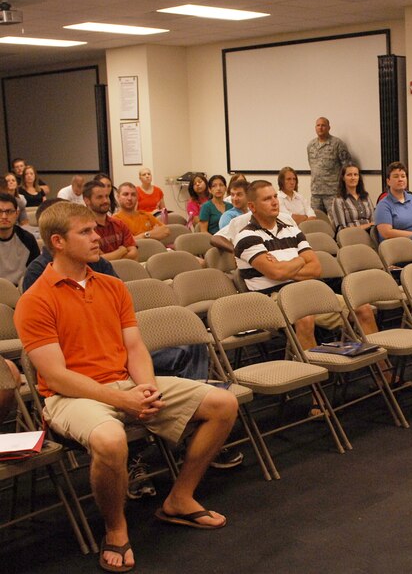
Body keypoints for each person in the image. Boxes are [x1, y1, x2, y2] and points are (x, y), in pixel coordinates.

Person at [14, 201, 238, 572]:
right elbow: (55, 377)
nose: (96, 237)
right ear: (57, 241)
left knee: (222, 403)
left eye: (94, 229)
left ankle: (179, 499)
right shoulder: (35, 300)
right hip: (71, 396)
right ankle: (116, 528)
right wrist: (123, 399)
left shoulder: (113, 287)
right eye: (84, 232)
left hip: (126, 382)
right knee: (111, 440)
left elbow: (134, 347)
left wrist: (146, 389)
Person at [234, 180, 381, 354]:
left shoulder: (292, 230)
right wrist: (299, 261)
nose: (275, 202)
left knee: (362, 309)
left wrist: (285, 268)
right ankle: (314, 375)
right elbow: (276, 272)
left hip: (307, 291)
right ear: (252, 206)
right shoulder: (246, 237)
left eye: (275, 196)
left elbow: (315, 268)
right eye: (267, 199)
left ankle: (384, 374)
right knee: (305, 318)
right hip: (273, 299)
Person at [375, 162, 412, 243]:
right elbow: (386, 232)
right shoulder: (383, 205)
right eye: (396, 176)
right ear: (388, 181)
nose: (400, 179)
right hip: (403, 245)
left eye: (403, 176)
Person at [84, 179, 138, 261]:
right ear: (87, 200)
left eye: (107, 196)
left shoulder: (119, 224)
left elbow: (134, 254)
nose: (105, 201)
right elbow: (97, 261)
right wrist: (121, 251)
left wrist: (110, 257)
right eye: (100, 197)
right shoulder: (85, 230)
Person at [306, 117, 351, 216]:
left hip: (332, 192)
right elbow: (312, 166)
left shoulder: (337, 144)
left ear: (329, 127)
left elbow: (347, 167)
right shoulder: (311, 145)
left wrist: (343, 188)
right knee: (316, 221)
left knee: (334, 221)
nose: (320, 128)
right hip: (316, 192)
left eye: (323, 125)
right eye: (318, 125)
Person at [0, 192, 39, 286]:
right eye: (0, 212)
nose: (4, 216)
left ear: (16, 214)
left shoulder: (28, 240)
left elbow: (36, 274)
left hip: (21, 292)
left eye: (9, 211)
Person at [330, 163, 374, 233]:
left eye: (355, 175)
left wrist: (371, 225)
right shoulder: (338, 200)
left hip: (371, 234)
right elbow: (341, 230)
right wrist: (367, 226)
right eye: (349, 175)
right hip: (351, 237)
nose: (353, 178)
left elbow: (374, 220)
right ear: (343, 178)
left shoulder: (366, 197)